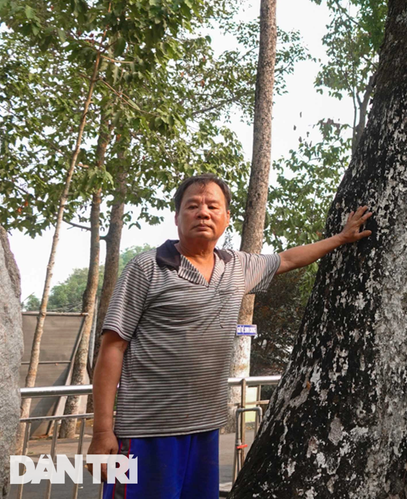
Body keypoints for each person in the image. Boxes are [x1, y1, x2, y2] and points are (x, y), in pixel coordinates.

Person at [88, 173, 372, 498]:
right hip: (146, 432)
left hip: (206, 429)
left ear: (226, 218)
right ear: (177, 216)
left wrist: (341, 238)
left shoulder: (237, 266)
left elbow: (290, 258)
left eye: (212, 206)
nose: (203, 213)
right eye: (192, 206)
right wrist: (101, 431)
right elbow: (112, 347)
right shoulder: (146, 268)